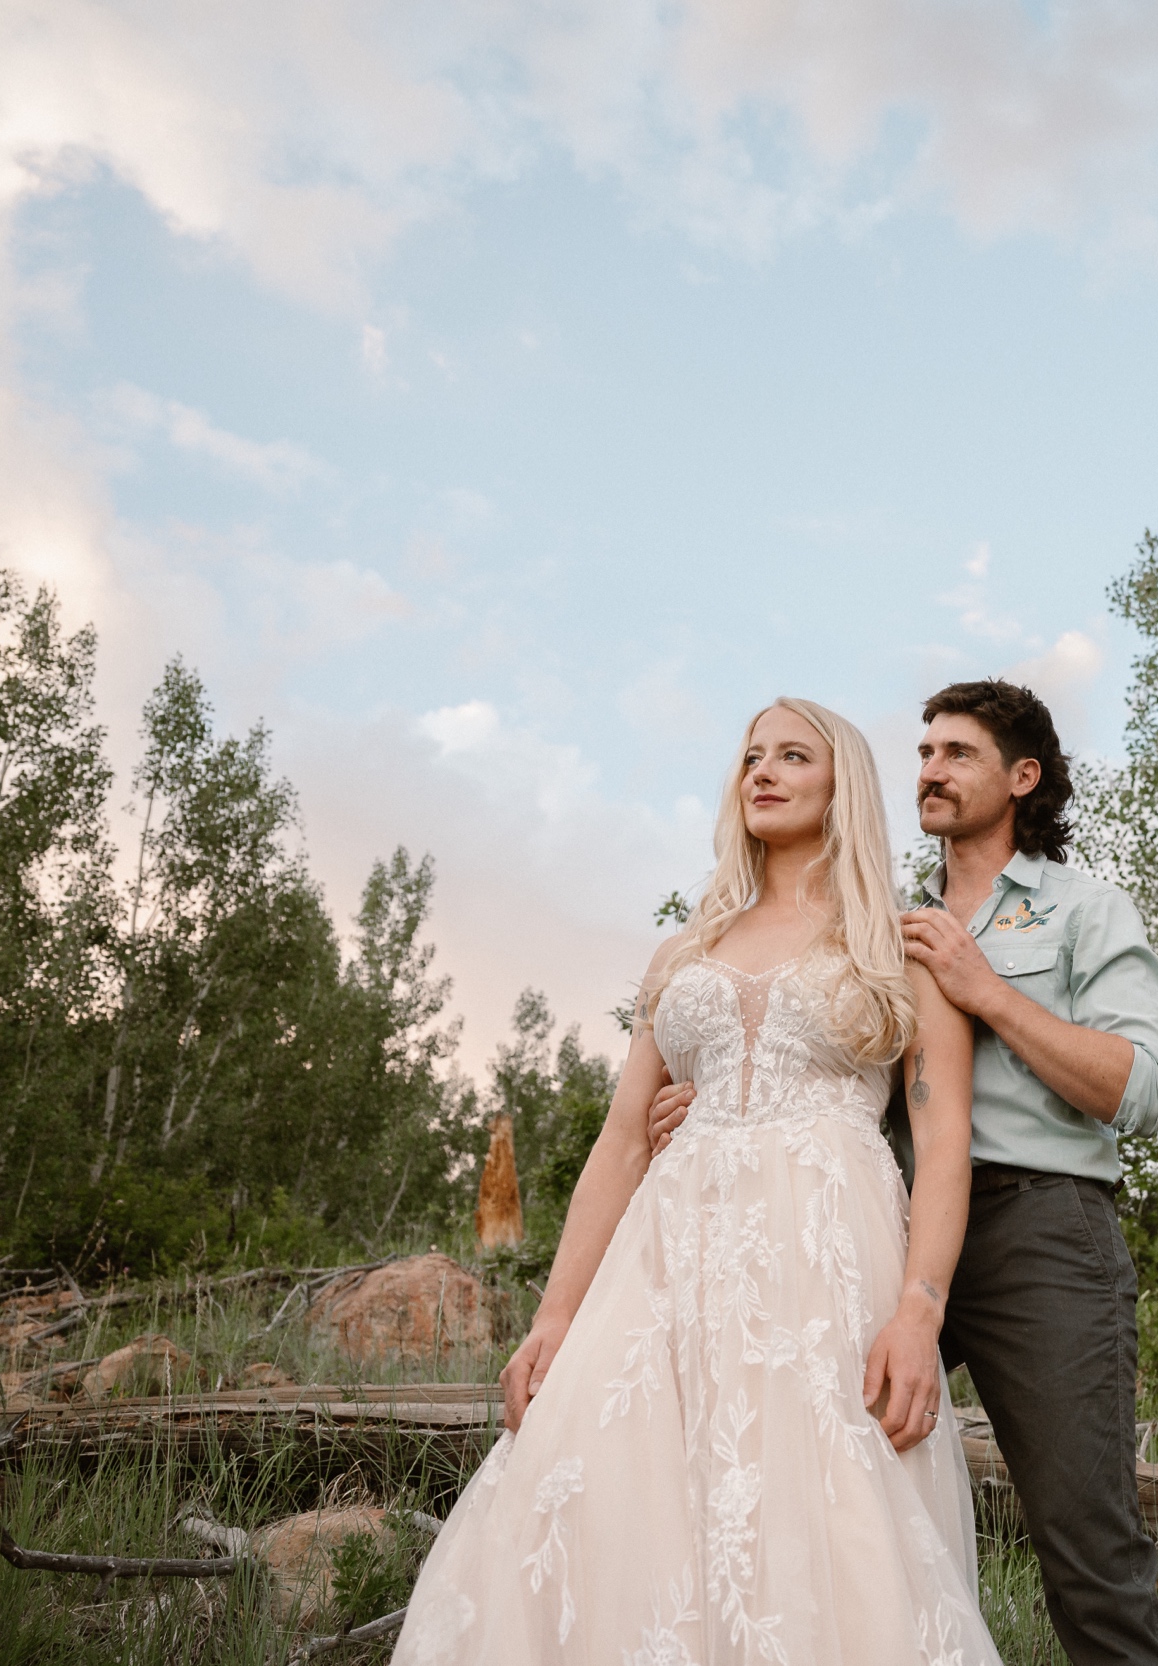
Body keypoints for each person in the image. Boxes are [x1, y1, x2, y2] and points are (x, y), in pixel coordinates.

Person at [396, 698, 1004, 1666]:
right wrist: (554, 1315)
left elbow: (942, 1145)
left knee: (821, 1506)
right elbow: (620, 1142)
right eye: (751, 756)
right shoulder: (681, 953)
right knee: (606, 1492)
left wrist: (919, 1312)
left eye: (792, 755)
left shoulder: (903, 943)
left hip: (827, 1253)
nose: (761, 770)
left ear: (839, 781)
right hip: (669, 1251)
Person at [652, 678, 1158, 1666]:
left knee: (1088, 1549)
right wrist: (711, 1098)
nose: (930, 769)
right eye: (925, 752)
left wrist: (985, 991)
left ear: (1022, 777)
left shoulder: (1082, 910)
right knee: (799, 1480)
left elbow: (1142, 1087)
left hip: (1041, 1235)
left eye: (958, 753)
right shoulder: (879, 923)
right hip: (884, 1233)